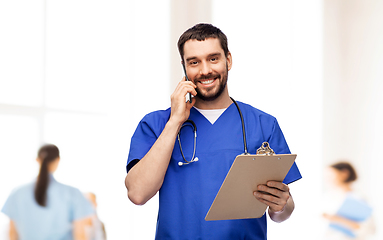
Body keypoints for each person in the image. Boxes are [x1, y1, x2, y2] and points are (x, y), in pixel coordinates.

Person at [125, 23, 302, 239]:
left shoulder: (263, 124)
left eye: (213, 58)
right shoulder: (156, 123)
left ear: (228, 60)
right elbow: (137, 193)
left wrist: (280, 206)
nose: (205, 70)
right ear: (184, 67)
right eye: (194, 62)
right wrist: (175, 121)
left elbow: (282, 211)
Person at [1, 144, 94, 240]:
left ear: (37, 160)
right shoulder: (72, 194)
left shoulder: (17, 193)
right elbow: (80, 235)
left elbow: (12, 234)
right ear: (58, 160)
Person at [322, 161, 375, 239]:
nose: (327, 179)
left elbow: (370, 229)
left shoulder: (358, 198)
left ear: (344, 173)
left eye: (330, 175)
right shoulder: (327, 196)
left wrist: (338, 219)